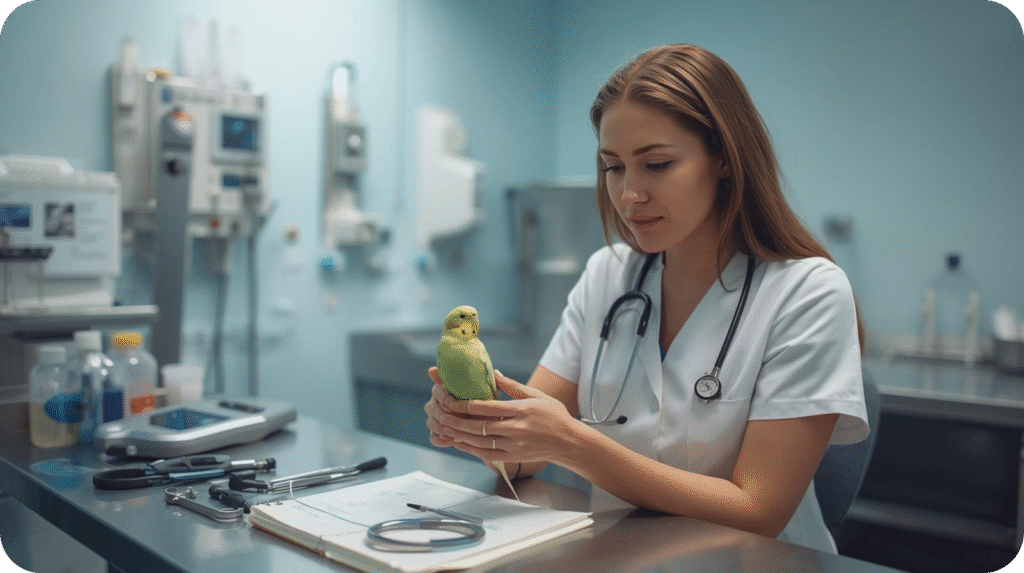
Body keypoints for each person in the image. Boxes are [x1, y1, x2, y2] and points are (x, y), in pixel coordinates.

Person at [424, 43, 869, 554]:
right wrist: (477, 424)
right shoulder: (607, 276)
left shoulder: (807, 293)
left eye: (656, 165)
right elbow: (526, 458)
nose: (630, 193)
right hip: (624, 557)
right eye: (614, 167)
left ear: (724, 158)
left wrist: (573, 443)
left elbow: (759, 511)